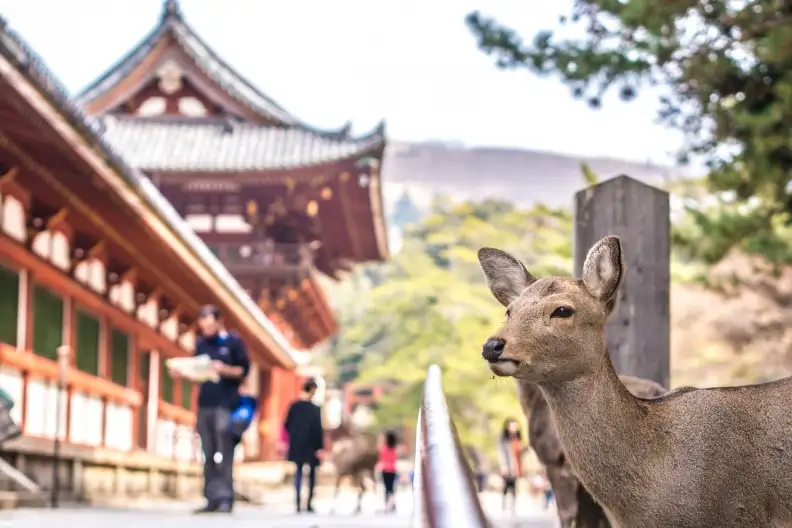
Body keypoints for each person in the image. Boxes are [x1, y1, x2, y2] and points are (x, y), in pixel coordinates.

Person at [188, 305, 250, 514]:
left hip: (225, 404)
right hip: (205, 403)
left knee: (224, 452)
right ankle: (211, 497)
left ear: (218, 322)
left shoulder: (233, 342)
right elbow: (197, 369)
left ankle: (225, 497)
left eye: (209, 324)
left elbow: (243, 370)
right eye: (202, 325)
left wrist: (223, 369)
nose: (206, 329)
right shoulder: (201, 344)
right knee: (208, 452)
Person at [284, 379, 325, 513]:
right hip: (311, 445)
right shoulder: (315, 409)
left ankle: (297, 502)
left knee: (299, 472)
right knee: (311, 474)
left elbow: (287, 424)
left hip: (297, 443)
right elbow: (318, 429)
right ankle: (307, 503)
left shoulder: (294, 406)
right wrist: (319, 447)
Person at [497, 417, 526, 515]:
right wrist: (503, 466)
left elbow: (519, 453)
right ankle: (504, 505)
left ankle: (513, 505)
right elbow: (501, 453)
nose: (514, 428)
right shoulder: (503, 439)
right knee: (506, 485)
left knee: (513, 486)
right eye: (513, 425)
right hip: (508, 465)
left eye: (516, 426)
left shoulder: (517, 438)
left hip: (516, 466)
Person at [378, 430, 399, 513]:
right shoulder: (394, 450)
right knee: (391, 488)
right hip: (392, 470)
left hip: (385, 470)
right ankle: (392, 504)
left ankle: (388, 504)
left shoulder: (384, 449)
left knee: (387, 488)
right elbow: (394, 460)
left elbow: (381, 460)